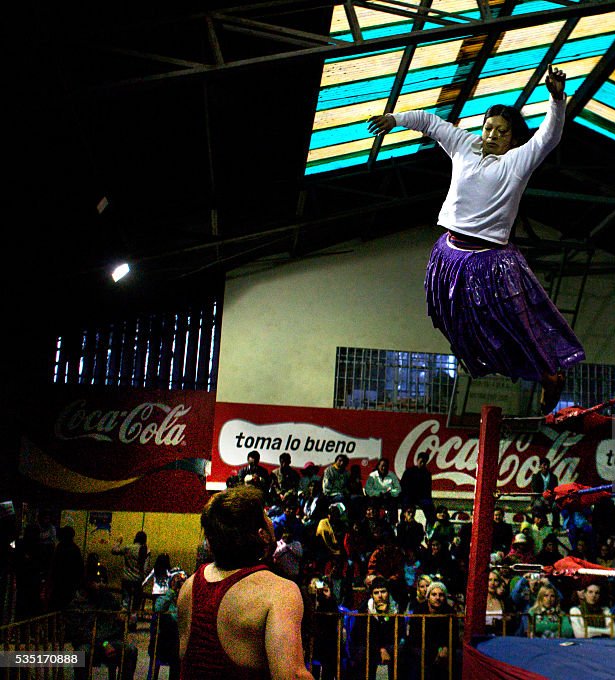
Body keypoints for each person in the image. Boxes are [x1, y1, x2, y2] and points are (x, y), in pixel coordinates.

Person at [367, 64, 584, 414]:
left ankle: (550, 372)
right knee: (449, 315)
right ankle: (491, 360)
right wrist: (395, 119)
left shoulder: (518, 160)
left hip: (491, 260)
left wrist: (557, 99)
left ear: (513, 139)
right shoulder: (463, 145)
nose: (493, 134)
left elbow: (549, 136)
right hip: (449, 254)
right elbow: (429, 122)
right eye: (489, 127)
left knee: (514, 320)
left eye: (502, 131)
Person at [177, 485, 313, 680]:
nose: (271, 521)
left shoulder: (190, 586)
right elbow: (291, 676)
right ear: (262, 534)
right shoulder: (280, 592)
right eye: (266, 515)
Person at [111, 530, 150, 613]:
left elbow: (114, 550)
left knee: (125, 603)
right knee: (135, 606)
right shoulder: (146, 551)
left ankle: (122, 622)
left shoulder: (128, 548)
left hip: (126, 579)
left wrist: (118, 541)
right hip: (138, 581)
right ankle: (132, 623)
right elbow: (146, 569)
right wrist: (144, 580)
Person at [401, 453, 434, 517]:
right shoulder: (409, 471)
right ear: (417, 460)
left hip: (421, 498)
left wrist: (429, 500)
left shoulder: (427, 474)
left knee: (430, 508)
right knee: (407, 507)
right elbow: (402, 485)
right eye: (421, 462)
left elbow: (428, 490)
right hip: (409, 496)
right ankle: (404, 523)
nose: (422, 464)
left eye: (424, 462)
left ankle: (432, 524)